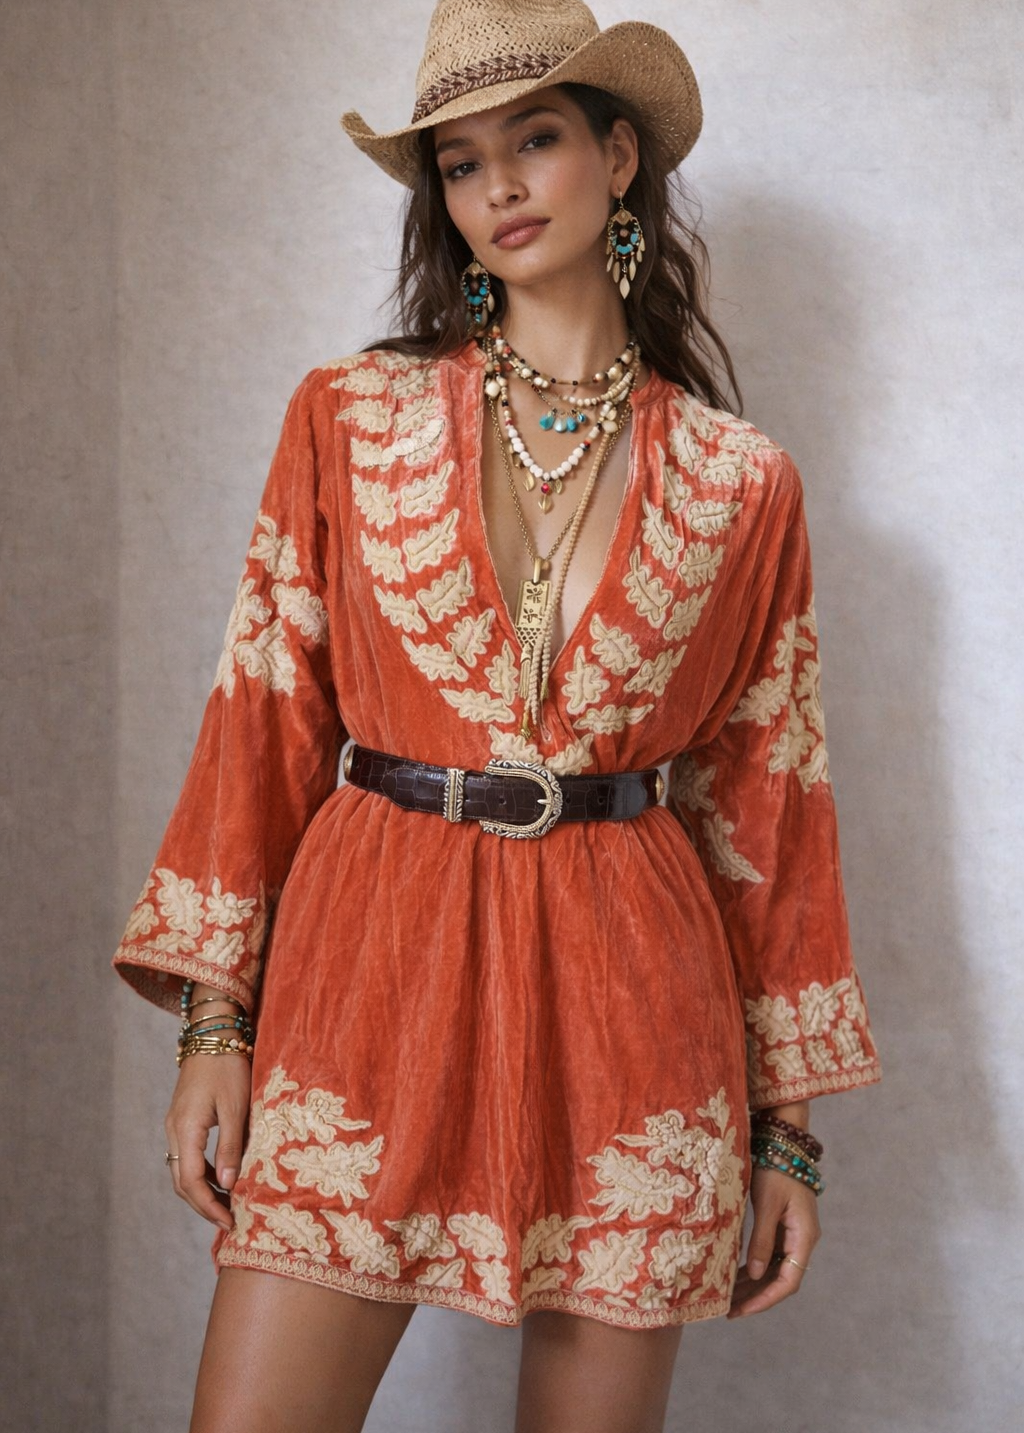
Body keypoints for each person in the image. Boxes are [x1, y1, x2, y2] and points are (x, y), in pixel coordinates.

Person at [113, 3, 881, 1430]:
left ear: (619, 155)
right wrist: (215, 1030)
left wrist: (792, 1135)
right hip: (372, 965)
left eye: (534, 140)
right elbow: (262, 714)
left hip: (636, 1001)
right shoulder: (347, 417)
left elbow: (771, 801)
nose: (502, 188)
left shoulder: (739, 480)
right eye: (461, 165)